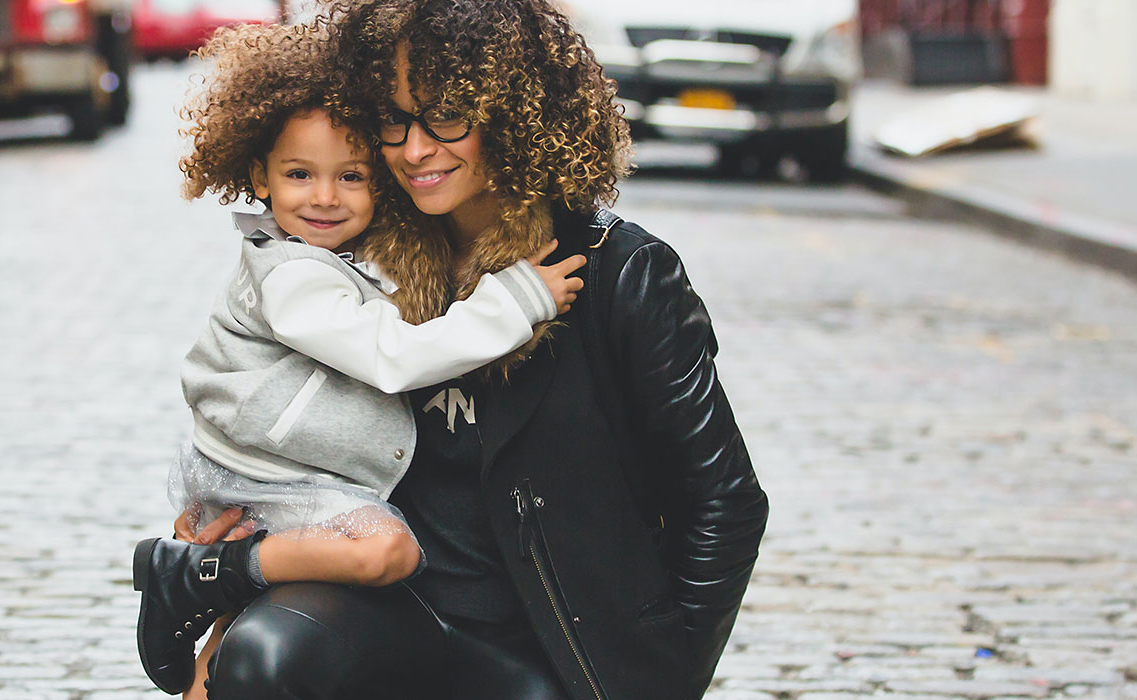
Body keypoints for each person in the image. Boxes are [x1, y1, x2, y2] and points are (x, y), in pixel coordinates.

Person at [180, 1, 771, 698]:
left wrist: (659, 679)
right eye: (394, 120)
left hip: (546, 641)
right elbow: (268, 404)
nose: (415, 149)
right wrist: (233, 535)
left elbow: (724, 502)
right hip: (389, 609)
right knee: (263, 658)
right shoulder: (358, 256)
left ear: (513, 112)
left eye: (447, 115)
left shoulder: (619, 273)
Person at [133, 23, 588, 698]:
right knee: (387, 553)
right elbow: (391, 355)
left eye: (351, 176)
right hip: (274, 477)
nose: (324, 197)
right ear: (257, 173)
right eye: (299, 175)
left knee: (237, 640)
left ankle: (209, 592)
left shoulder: (346, 254)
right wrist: (515, 298)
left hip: (289, 474)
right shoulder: (290, 274)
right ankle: (195, 576)